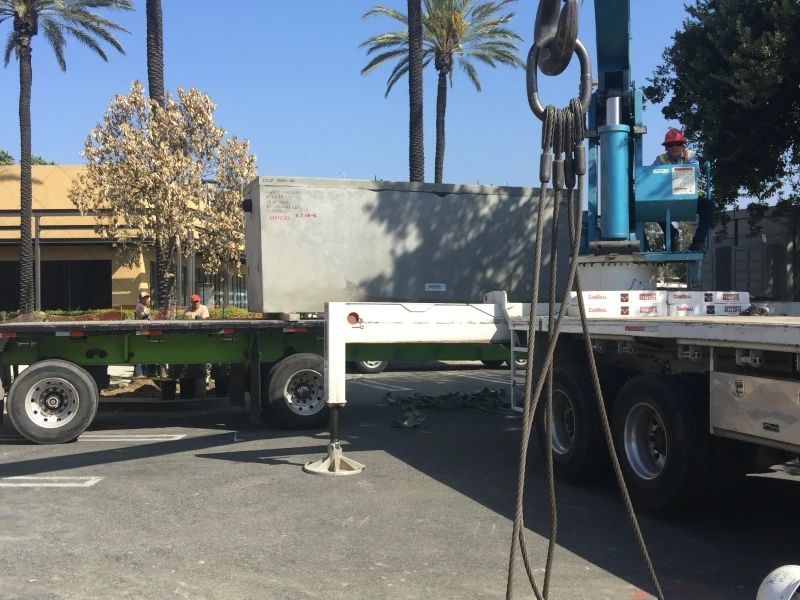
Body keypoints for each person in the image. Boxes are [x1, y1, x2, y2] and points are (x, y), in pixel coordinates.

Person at [652, 128, 714, 252]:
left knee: (708, 205)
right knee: (653, 205)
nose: (675, 147)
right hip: (667, 198)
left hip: (688, 197)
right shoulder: (660, 159)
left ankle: (698, 242)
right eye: (670, 144)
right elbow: (653, 175)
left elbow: (694, 170)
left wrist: (668, 173)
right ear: (666, 148)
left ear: (683, 145)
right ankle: (671, 234)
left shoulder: (689, 155)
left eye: (678, 144)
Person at [133, 291, 151, 378]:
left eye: (147, 297)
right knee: (139, 352)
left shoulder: (145, 307)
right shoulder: (140, 306)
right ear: (140, 298)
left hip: (144, 331)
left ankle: (145, 373)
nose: (146, 299)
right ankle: (139, 373)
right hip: (140, 331)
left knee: (144, 352)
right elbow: (145, 318)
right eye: (144, 297)